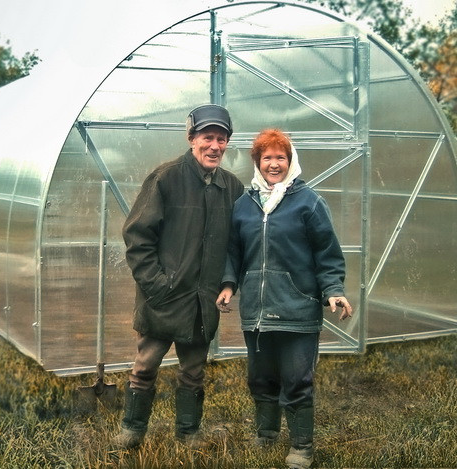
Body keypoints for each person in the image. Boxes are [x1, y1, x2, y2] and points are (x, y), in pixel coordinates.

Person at [216, 128, 352, 469]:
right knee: (260, 378)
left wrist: (333, 291)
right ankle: (266, 434)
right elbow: (233, 251)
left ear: (291, 162)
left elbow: (327, 253)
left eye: (281, 157)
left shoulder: (309, 202)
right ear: (257, 162)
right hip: (257, 312)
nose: (274, 164)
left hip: (297, 309)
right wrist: (229, 284)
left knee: (297, 381)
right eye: (267, 158)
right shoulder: (244, 205)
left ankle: (302, 447)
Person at [113, 104, 245, 450]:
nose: (214, 146)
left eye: (221, 139)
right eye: (207, 137)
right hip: (163, 298)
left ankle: (188, 434)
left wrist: (227, 283)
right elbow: (137, 237)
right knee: (145, 367)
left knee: (193, 372)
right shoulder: (165, 178)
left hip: (203, 301)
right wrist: (158, 286)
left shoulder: (232, 187)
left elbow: (236, 244)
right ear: (191, 139)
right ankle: (132, 430)